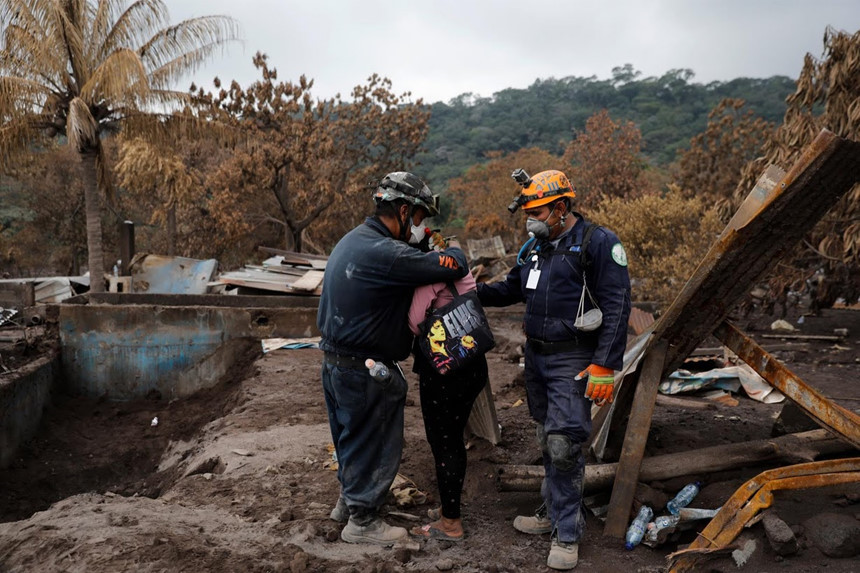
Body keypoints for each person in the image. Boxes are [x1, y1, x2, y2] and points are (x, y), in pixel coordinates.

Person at [477, 169, 631, 570]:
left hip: (574, 358)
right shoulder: (536, 248)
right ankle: (552, 512)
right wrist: (469, 292)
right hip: (537, 357)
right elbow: (511, 289)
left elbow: (617, 305)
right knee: (547, 438)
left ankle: (568, 533)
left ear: (561, 208)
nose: (531, 221)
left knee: (564, 444)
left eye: (537, 213)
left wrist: (605, 364)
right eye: (528, 214)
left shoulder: (598, 242)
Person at [318, 171, 469, 546]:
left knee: (350, 437)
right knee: (375, 440)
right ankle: (363, 522)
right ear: (403, 211)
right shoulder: (387, 253)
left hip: (336, 362)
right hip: (364, 369)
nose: (421, 226)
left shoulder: (355, 239)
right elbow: (456, 266)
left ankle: (348, 503)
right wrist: (448, 247)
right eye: (419, 217)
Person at [406, 265, 488, 542]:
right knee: (453, 438)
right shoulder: (461, 269)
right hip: (473, 363)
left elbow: (415, 322)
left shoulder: (431, 273)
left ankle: (451, 523)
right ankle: (448, 508)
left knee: (444, 443)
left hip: (445, 370)